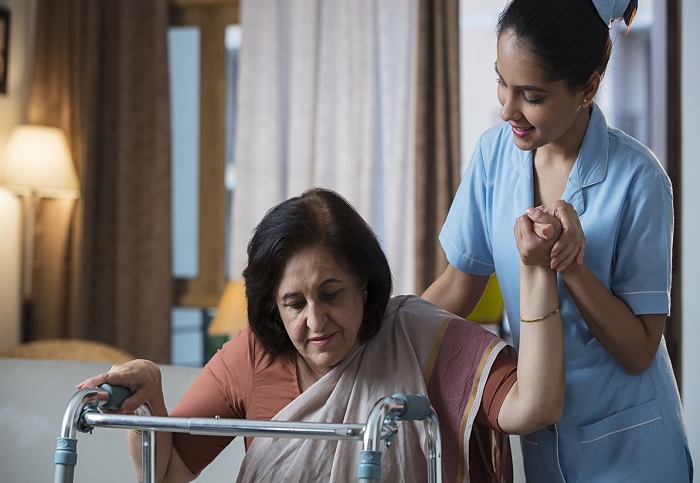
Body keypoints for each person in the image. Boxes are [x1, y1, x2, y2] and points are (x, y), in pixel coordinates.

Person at [78, 187, 565, 482]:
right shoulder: (253, 353)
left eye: (331, 294)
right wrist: (150, 392)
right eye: (294, 303)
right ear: (273, 306)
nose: (315, 321)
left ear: (365, 286)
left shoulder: (420, 338)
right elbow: (164, 473)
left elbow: (536, 406)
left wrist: (538, 271)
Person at [422, 0, 693, 481]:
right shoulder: (492, 156)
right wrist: (375, 338)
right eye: (503, 84)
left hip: (632, 452)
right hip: (544, 448)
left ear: (588, 88)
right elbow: (460, 285)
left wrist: (570, 264)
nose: (508, 110)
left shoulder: (639, 180)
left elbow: (640, 350)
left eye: (533, 96)